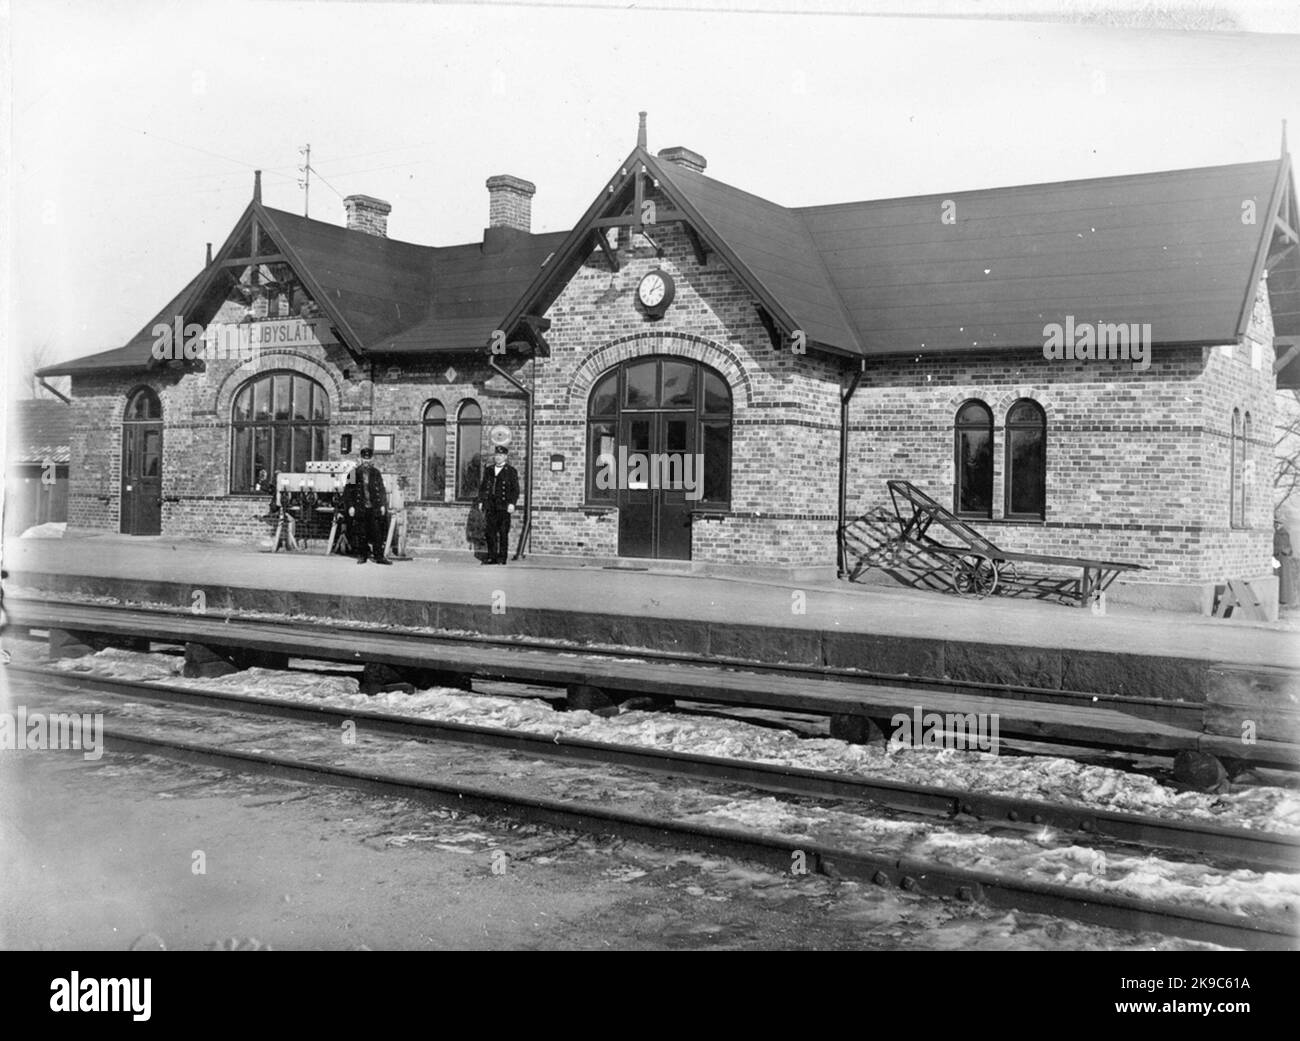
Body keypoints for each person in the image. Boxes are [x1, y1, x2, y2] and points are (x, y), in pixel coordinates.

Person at [475, 444, 519, 565]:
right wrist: (481, 501)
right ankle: (492, 557)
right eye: (496, 455)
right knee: (490, 532)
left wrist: (512, 503)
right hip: (491, 505)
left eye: (500, 455)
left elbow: (515, 489)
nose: (498, 457)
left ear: (505, 457)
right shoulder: (489, 470)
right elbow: (484, 487)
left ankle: (502, 558)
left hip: (504, 506)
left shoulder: (510, 471)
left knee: (503, 532)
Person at [348, 447, 391, 565]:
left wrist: (382, 505)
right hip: (360, 506)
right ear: (360, 459)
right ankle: (362, 555)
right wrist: (351, 506)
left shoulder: (376, 473)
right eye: (364, 459)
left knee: (377, 532)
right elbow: (348, 492)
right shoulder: (353, 473)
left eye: (368, 459)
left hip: (374, 507)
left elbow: (381, 490)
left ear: (372, 459)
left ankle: (379, 556)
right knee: (361, 532)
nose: (366, 461)